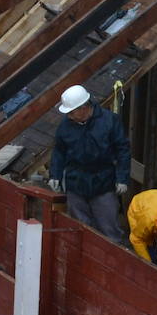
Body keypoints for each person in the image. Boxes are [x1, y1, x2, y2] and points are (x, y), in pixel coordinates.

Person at [49, 85, 131, 241]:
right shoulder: (65, 126)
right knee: (78, 229)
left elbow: (123, 150)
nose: (69, 117)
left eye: (71, 113)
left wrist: (122, 178)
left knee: (108, 229)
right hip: (76, 184)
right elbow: (59, 151)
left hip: (103, 182)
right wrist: (55, 175)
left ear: (83, 108)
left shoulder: (110, 122)